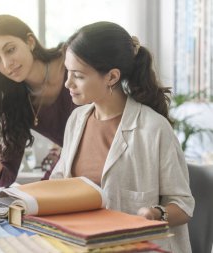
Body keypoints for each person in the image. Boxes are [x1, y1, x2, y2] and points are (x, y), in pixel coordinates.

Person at [50, 21, 194, 252]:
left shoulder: (154, 128)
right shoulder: (77, 120)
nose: (68, 83)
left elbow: (184, 206)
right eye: (67, 71)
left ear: (112, 77)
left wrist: (155, 214)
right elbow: (59, 183)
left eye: (78, 75)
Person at [0, 15, 76, 187]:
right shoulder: (16, 100)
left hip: (111, 160)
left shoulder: (71, 63)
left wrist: (44, 188)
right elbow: (8, 174)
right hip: (74, 170)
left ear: (30, 42)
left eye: (10, 50)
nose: (6, 64)